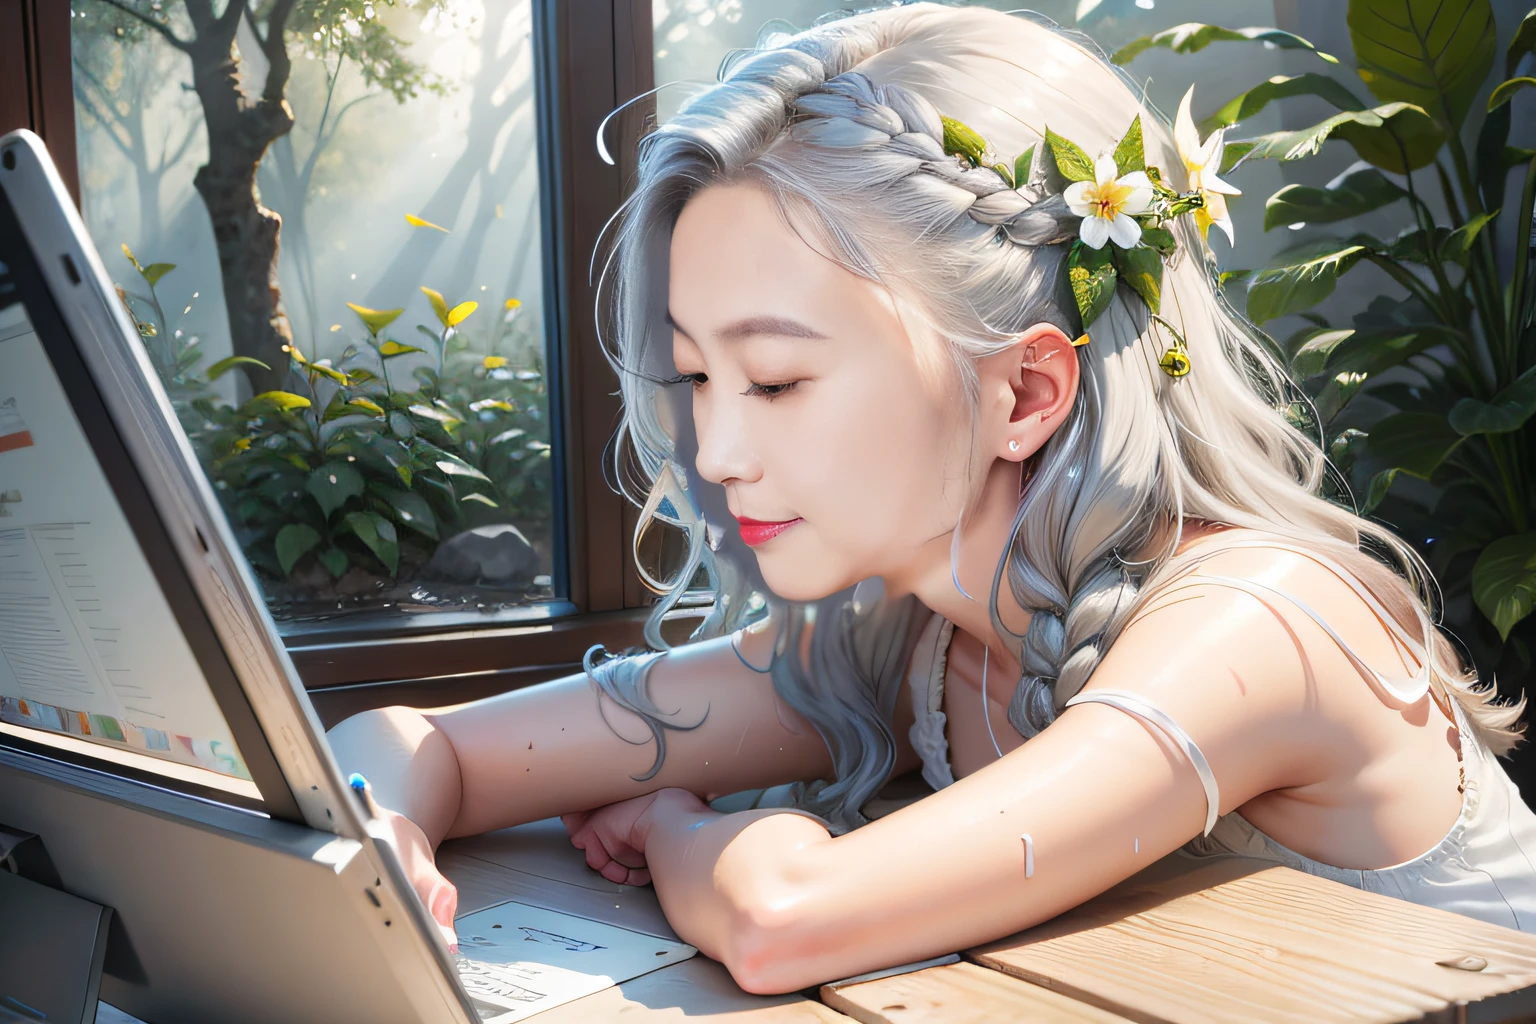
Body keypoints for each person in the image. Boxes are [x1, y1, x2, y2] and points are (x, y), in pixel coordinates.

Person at [326, 2, 1536, 995]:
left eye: (779, 377)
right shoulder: (910, 645)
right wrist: (377, 836)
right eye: (698, 374)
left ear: (1025, 392)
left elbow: (784, 917)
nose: (717, 447)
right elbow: (417, 747)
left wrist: (680, 829)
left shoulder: (1259, 623)